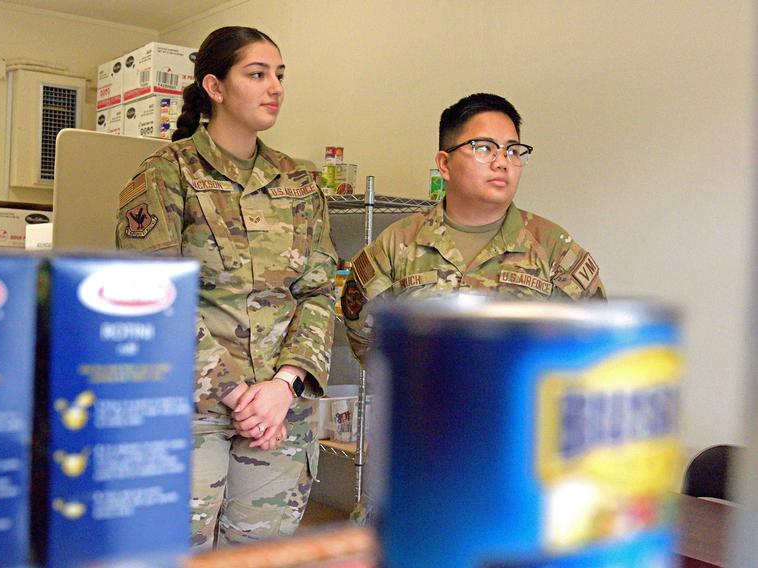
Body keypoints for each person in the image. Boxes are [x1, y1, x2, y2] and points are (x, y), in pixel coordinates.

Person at [115, 27, 337, 549]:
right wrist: (237, 395)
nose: (274, 87)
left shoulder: (300, 183)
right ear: (214, 87)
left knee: (260, 557)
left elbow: (319, 293)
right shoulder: (167, 174)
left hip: (280, 414)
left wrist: (284, 387)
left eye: (279, 75)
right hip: (190, 410)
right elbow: (151, 296)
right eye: (257, 74)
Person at [342, 93, 606, 364]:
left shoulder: (552, 247)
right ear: (445, 164)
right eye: (484, 148)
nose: (502, 162)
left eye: (513, 151)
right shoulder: (397, 244)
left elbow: (594, 345)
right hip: (426, 403)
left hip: (519, 404)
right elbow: (366, 339)